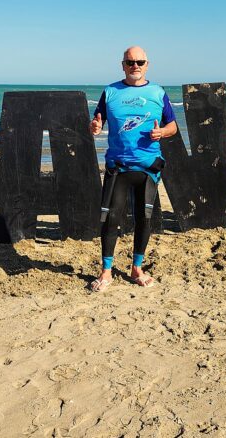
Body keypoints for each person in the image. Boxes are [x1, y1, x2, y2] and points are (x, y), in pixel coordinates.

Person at [88, 46, 178, 292]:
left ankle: (137, 267)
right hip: (118, 167)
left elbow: (173, 126)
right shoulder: (110, 92)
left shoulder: (158, 92)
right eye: (130, 62)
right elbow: (97, 122)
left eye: (140, 62)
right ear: (123, 65)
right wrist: (95, 127)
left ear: (147, 65)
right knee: (111, 218)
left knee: (144, 218)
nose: (135, 66)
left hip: (148, 167)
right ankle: (106, 271)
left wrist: (162, 132)